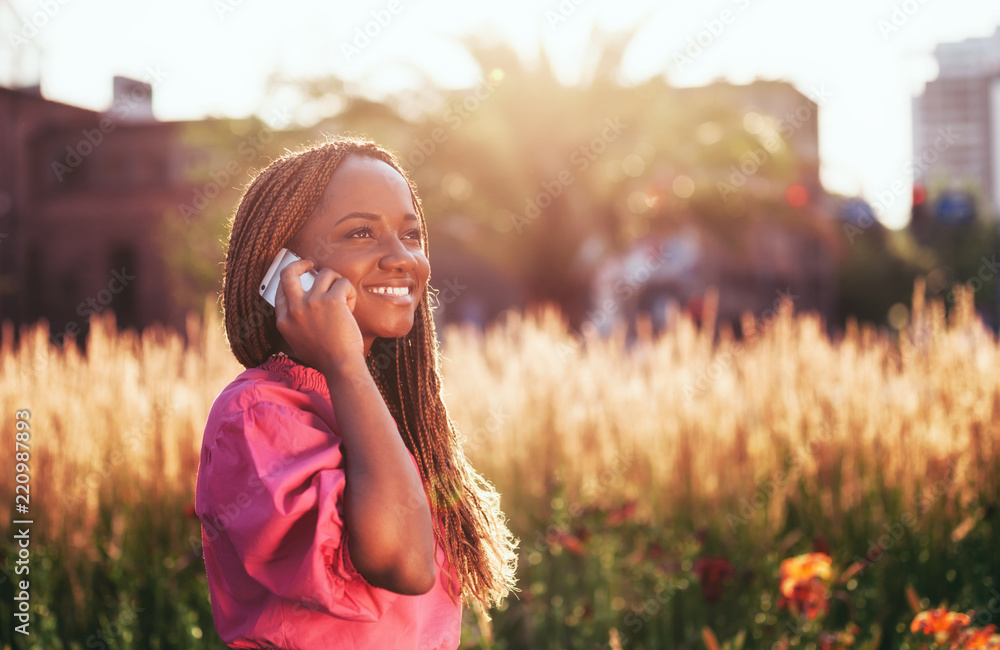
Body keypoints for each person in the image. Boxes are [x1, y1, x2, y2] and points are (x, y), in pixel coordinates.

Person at [195, 136, 518, 649]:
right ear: (286, 272)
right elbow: (403, 564)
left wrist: (350, 374)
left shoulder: (377, 404)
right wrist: (344, 361)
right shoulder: (256, 413)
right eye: (362, 232)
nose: (402, 257)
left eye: (411, 234)